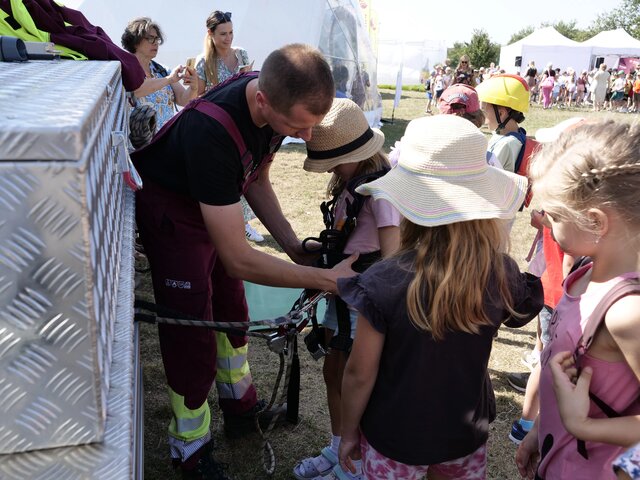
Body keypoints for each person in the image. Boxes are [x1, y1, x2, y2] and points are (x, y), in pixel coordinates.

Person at [131, 44, 356, 479]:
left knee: (233, 311)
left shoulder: (273, 107)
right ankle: (189, 446)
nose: (306, 138)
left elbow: (255, 176)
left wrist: (291, 245)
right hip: (175, 214)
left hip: (214, 202)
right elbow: (238, 258)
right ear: (262, 100)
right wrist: (327, 279)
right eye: (299, 127)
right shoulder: (211, 133)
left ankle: (239, 406)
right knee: (191, 332)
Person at [335, 114, 543, 480]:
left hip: (393, 437)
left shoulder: (382, 281)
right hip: (464, 434)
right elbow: (528, 306)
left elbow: (358, 373)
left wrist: (349, 431)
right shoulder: (500, 273)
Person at [516, 119, 640, 480]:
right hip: (560, 458)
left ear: (595, 221)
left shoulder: (626, 312)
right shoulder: (584, 273)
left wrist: (582, 425)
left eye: (554, 216)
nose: (547, 225)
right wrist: (541, 430)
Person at [292, 98, 401, 480]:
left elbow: (391, 255)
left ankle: (354, 464)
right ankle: (338, 446)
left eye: (335, 162)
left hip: (363, 302)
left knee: (358, 378)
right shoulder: (352, 185)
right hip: (339, 292)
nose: (333, 170)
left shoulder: (381, 191)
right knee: (333, 370)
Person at [194, 10, 263, 243]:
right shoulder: (204, 62)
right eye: (223, 33)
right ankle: (233, 224)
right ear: (211, 34)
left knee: (247, 172)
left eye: (231, 32)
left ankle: (244, 222)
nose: (229, 38)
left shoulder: (241, 53)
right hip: (220, 126)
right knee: (228, 174)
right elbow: (200, 97)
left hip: (243, 120)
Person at [122, 17, 197, 131]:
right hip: (140, 146)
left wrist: (193, 87)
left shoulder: (162, 70)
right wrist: (169, 79)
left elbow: (183, 100)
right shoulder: (126, 69)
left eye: (157, 39)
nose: (156, 43)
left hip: (166, 143)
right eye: (150, 39)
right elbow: (138, 89)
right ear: (135, 41)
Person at [475, 74, 530, 173]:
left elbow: (486, 178)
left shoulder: (505, 145)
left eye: (484, 110)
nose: (484, 118)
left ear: (500, 113)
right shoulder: (510, 136)